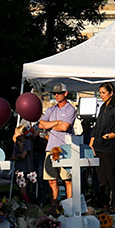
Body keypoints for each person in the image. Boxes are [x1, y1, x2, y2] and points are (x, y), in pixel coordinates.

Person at [38, 82, 76, 211]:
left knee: (67, 180)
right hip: (51, 148)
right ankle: (54, 207)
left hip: (65, 149)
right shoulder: (51, 109)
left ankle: (69, 206)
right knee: (51, 180)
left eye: (59, 93)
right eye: (54, 93)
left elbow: (65, 127)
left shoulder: (70, 109)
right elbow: (41, 124)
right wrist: (56, 123)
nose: (56, 95)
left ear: (65, 93)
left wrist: (50, 125)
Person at [88, 82, 115, 212]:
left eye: (103, 93)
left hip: (110, 148)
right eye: (100, 93)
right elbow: (97, 126)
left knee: (112, 177)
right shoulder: (103, 107)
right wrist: (91, 143)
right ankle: (104, 205)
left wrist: (108, 136)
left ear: (111, 93)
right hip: (99, 147)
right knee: (101, 179)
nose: (101, 95)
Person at [10, 125, 34, 202]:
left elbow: (23, 156)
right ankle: (21, 204)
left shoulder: (27, 143)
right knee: (20, 190)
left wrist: (18, 154)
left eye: (16, 134)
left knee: (23, 190)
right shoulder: (16, 144)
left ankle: (27, 204)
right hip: (19, 169)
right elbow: (12, 157)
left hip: (26, 168)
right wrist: (18, 155)